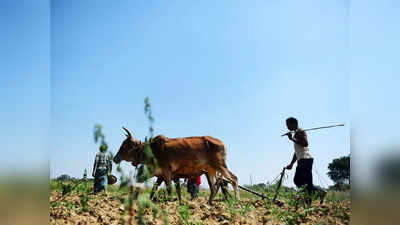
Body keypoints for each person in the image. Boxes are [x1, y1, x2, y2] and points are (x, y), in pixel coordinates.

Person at [284, 117, 327, 204]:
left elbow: (305, 143)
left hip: (305, 159)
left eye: (288, 125)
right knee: (300, 181)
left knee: (302, 182)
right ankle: (319, 193)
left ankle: (309, 203)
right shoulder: (296, 133)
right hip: (302, 159)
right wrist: (291, 164)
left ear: (294, 124)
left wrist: (291, 139)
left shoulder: (300, 131)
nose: (287, 127)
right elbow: (297, 151)